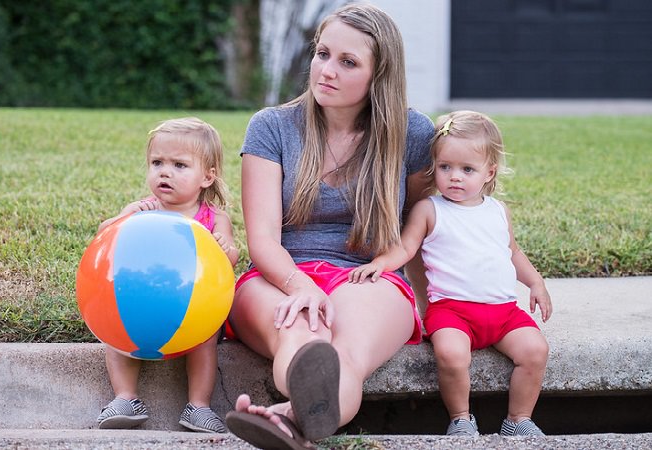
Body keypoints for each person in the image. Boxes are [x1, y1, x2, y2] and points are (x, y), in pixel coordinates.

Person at [223, 4, 435, 449]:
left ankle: (287, 419)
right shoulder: (272, 127)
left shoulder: (411, 134)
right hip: (278, 275)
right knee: (300, 334)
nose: (327, 71)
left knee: (346, 355)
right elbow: (263, 239)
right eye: (322, 54)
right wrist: (300, 284)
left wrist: (429, 304)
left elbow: (418, 227)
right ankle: (296, 418)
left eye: (348, 62)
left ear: (379, 76)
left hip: (367, 276)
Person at [349, 110, 553, 436]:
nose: (454, 176)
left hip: (502, 313)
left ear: (489, 172)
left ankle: (518, 420)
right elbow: (405, 248)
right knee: (451, 354)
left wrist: (535, 281)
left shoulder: (498, 212)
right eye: (445, 167)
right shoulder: (430, 210)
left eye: (467, 169)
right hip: (452, 312)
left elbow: (512, 252)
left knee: (535, 351)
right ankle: (461, 418)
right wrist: (380, 263)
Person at [95, 117, 238, 433]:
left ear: (207, 176)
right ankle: (125, 397)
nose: (165, 171)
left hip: (193, 310)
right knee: (116, 332)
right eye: (157, 162)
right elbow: (104, 236)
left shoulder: (214, 217)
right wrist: (125, 218)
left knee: (206, 339)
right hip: (143, 304)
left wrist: (223, 245)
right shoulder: (144, 208)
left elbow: (230, 258)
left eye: (179, 165)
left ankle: (198, 406)